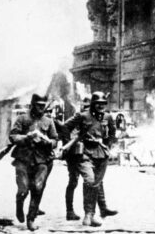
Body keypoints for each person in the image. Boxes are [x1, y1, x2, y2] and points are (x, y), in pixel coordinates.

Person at [63, 92, 117, 227]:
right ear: (93, 104)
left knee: (97, 183)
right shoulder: (82, 116)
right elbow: (65, 127)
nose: (101, 106)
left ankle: (98, 211)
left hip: (102, 154)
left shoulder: (108, 117)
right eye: (98, 103)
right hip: (85, 153)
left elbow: (112, 133)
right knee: (90, 181)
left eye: (103, 104)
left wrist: (108, 145)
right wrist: (70, 143)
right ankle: (88, 214)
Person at [9, 94, 58, 231]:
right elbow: (13, 136)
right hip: (23, 159)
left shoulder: (48, 121)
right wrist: (26, 137)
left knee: (38, 188)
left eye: (43, 105)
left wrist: (49, 142)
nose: (41, 108)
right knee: (23, 190)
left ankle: (31, 218)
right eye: (38, 105)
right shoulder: (22, 118)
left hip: (42, 159)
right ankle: (19, 204)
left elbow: (55, 139)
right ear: (32, 105)